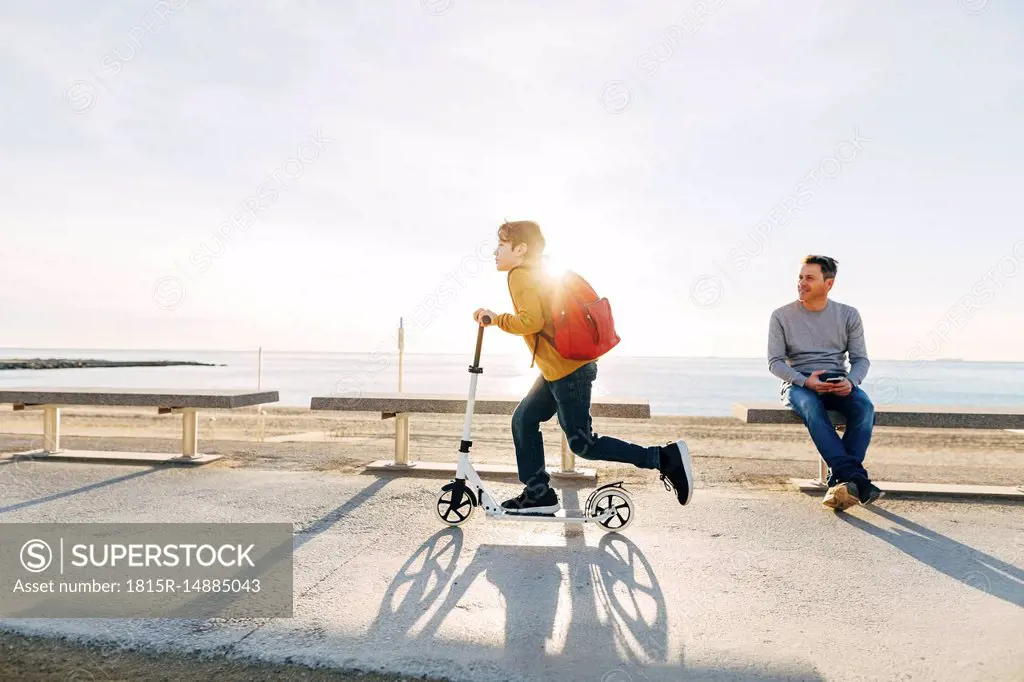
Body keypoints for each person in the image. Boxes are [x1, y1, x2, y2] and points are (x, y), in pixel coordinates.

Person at [472, 220, 693, 514]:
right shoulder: (539, 269)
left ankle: (663, 458)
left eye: (501, 245)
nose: (495, 252)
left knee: (583, 444)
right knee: (524, 420)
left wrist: (495, 318)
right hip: (560, 370)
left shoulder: (518, 275)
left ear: (521, 249)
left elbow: (531, 321)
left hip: (567, 373)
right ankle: (538, 492)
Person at [767, 254, 883, 510]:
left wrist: (851, 382)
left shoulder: (848, 315)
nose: (801, 283)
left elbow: (861, 360)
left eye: (809, 278)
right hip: (799, 385)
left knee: (865, 409)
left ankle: (842, 482)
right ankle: (858, 481)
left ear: (828, 284)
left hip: (839, 382)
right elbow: (775, 362)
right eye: (800, 277)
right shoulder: (781, 316)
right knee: (811, 407)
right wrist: (805, 381)